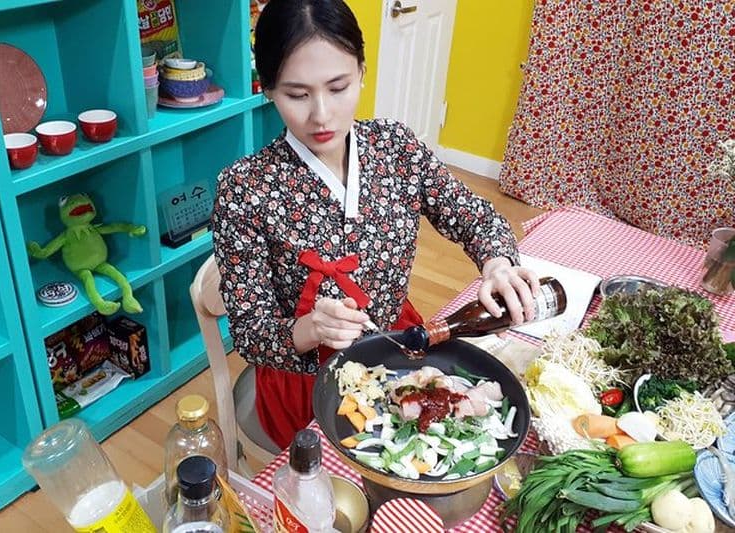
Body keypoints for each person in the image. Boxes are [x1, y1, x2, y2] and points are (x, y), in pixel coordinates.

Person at [212, 0, 539, 449]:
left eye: (338, 86)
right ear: (268, 89)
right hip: (307, 376)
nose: (321, 114)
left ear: (362, 72)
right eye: (297, 94)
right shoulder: (244, 188)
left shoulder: (395, 148)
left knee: (434, 450)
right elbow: (250, 333)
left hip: (397, 345)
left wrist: (498, 263)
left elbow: (473, 214)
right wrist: (310, 327)